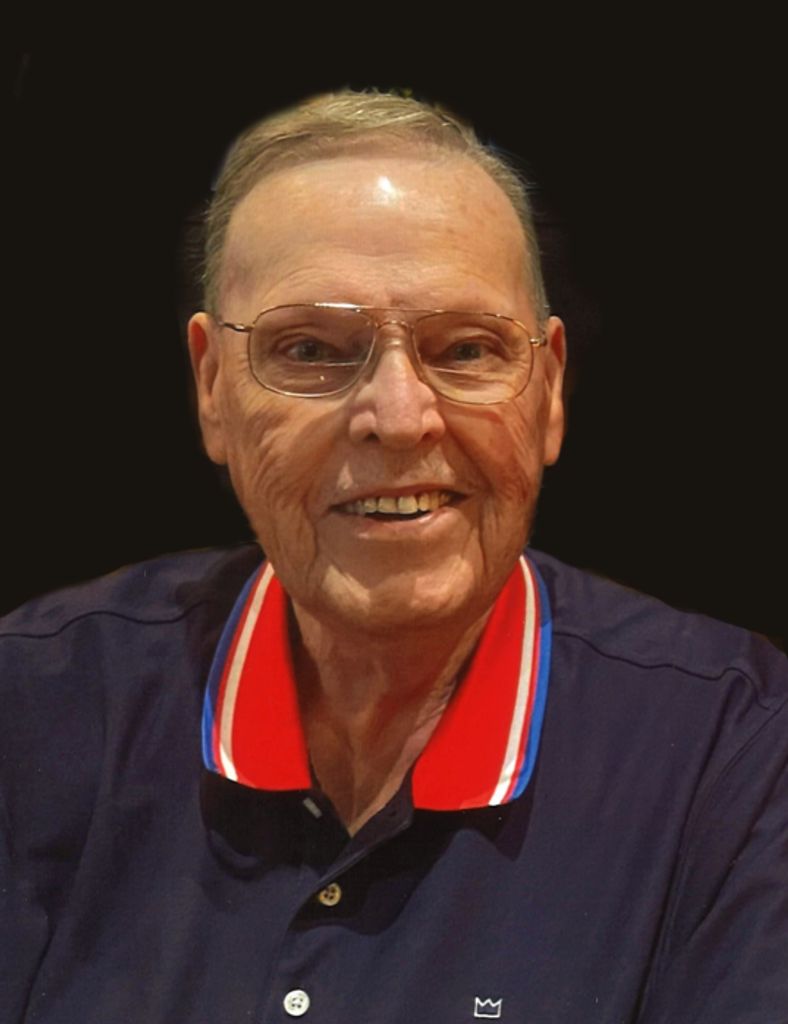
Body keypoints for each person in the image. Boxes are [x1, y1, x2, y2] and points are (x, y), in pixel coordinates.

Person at [1, 90, 785, 1024]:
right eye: (310, 349)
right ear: (212, 387)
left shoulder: (733, 750)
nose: (401, 418)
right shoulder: (33, 706)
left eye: (467, 350)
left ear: (549, 389)